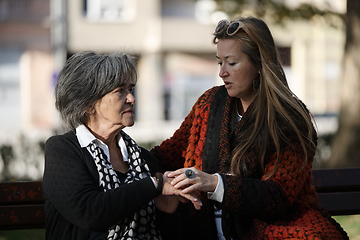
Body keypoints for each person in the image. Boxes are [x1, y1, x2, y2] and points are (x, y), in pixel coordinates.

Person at [150, 17, 348, 239]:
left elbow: (278, 194)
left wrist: (215, 183)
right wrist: (115, 155)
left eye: (231, 63)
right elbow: (166, 154)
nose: (222, 72)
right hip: (203, 228)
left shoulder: (289, 117)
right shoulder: (209, 103)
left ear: (259, 64)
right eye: (219, 62)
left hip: (270, 227)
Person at [42, 51, 201, 240]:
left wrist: (167, 210)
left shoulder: (143, 159)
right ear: (88, 104)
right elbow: (89, 212)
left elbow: (167, 234)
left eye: (130, 89)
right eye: (120, 91)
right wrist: (154, 184)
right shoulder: (63, 150)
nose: (132, 99)